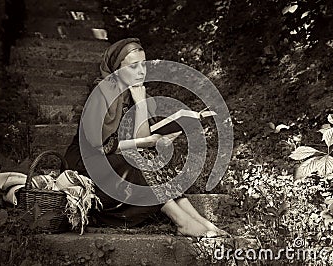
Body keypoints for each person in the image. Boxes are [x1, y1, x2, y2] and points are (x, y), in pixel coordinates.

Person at [64, 38, 228, 237]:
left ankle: (200, 221)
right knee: (137, 160)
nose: (141, 71)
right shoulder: (102, 93)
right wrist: (144, 142)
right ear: (117, 69)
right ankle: (182, 221)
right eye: (133, 66)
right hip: (86, 162)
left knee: (150, 160)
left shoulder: (136, 92)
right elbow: (99, 146)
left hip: (115, 159)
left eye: (144, 64)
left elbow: (142, 136)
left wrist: (140, 103)